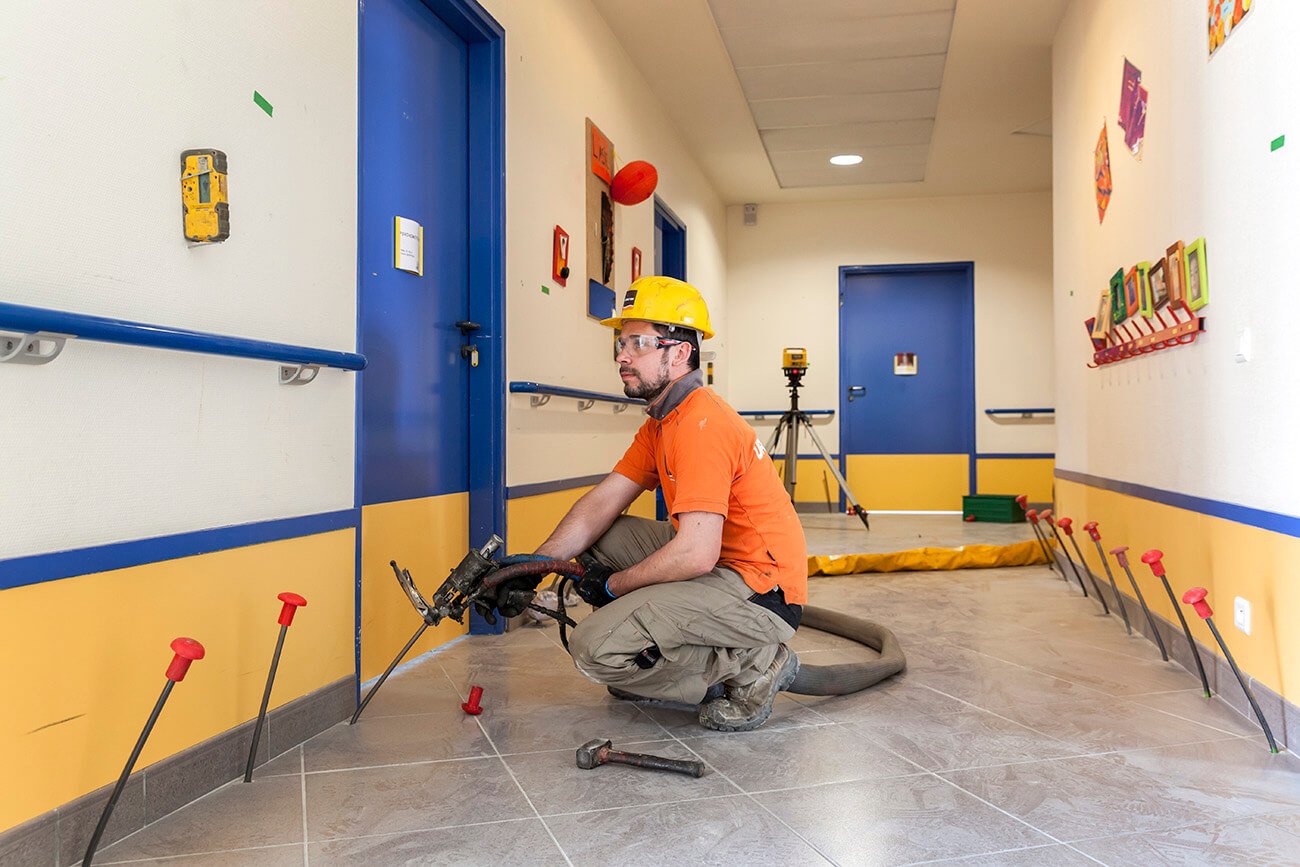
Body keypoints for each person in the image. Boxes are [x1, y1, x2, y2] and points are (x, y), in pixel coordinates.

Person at [533, 276, 808, 732]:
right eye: (621, 343)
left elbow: (696, 553)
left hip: (763, 593)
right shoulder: (663, 422)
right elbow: (603, 502)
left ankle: (757, 666)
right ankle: (649, 658)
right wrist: (532, 566)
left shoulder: (703, 425)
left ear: (679, 352)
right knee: (606, 534)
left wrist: (614, 586)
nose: (622, 356)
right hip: (723, 561)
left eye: (638, 343)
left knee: (593, 649)